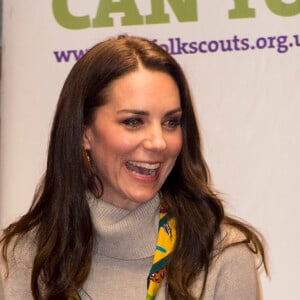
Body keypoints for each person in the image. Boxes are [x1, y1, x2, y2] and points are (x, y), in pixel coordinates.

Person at [0, 35, 267, 300]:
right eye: (133, 122)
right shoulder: (21, 259)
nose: (159, 142)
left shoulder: (222, 258)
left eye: (171, 122)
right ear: (84, 131)